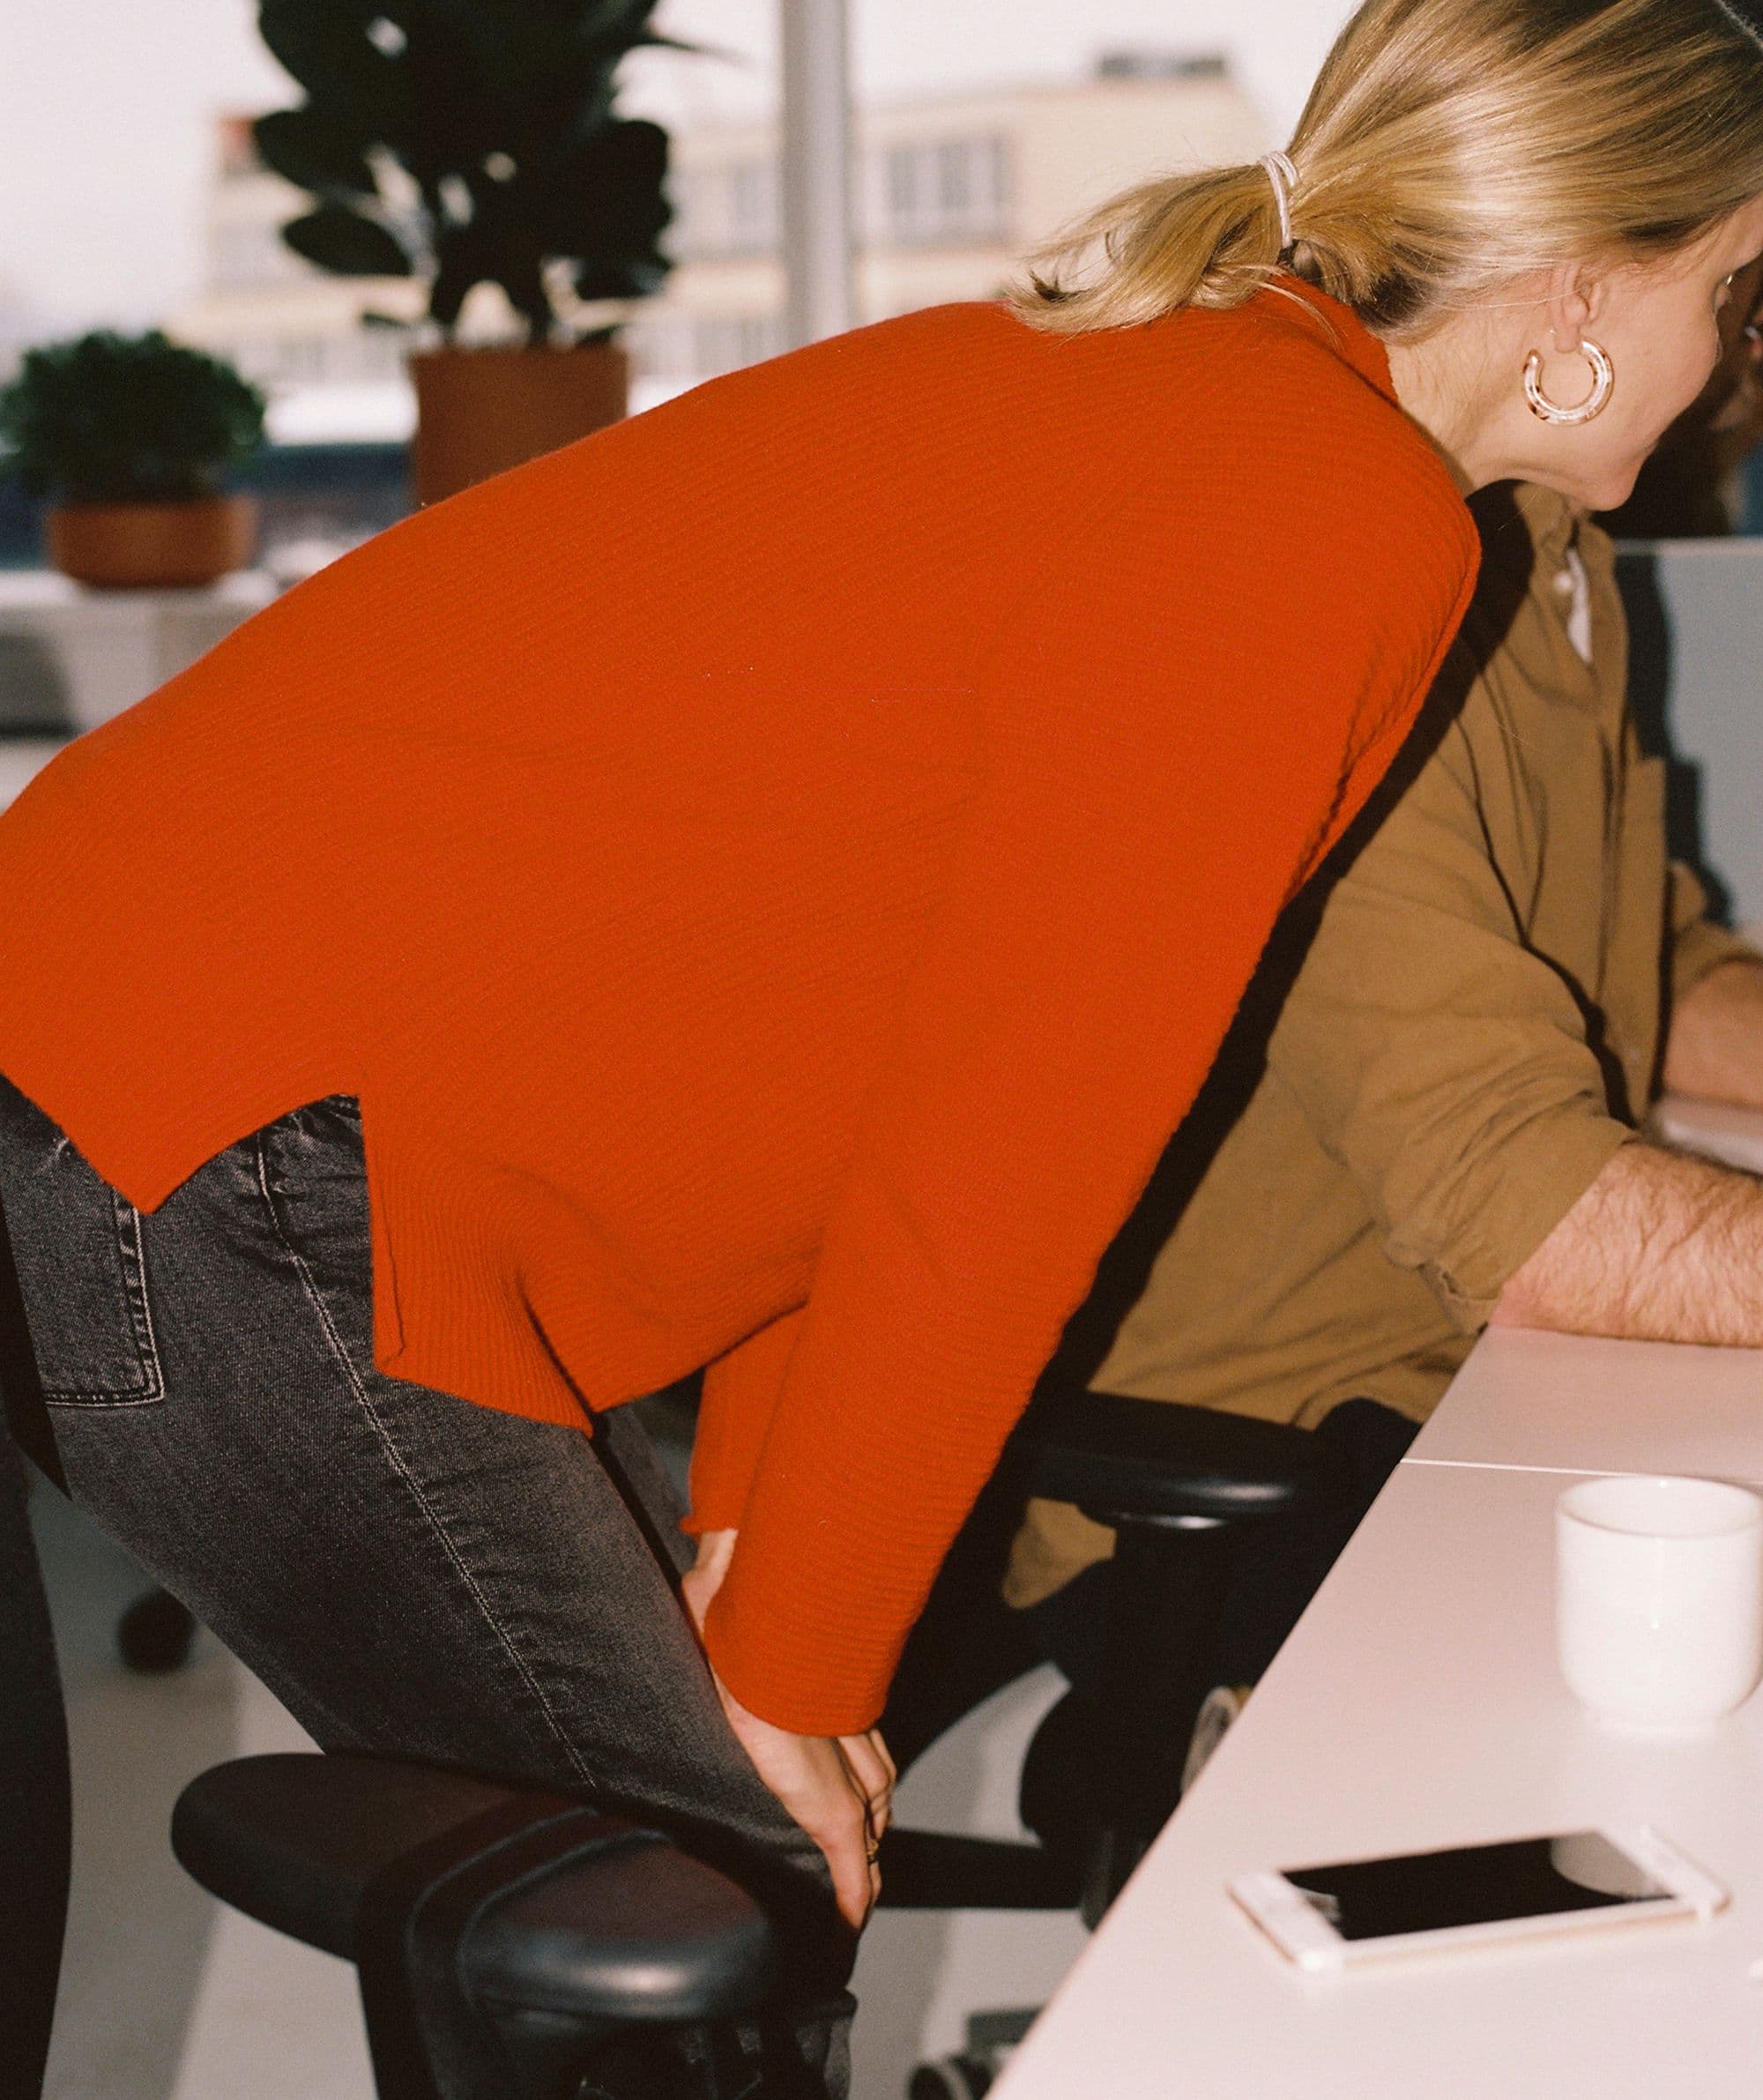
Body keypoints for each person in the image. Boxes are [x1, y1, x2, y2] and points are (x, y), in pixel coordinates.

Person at [0, 0, 1761, 2083]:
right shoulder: (1317, 509)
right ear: (1579, 286)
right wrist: (801, 1663)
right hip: (205, 1142)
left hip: (161, 1090)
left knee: (670, 1905)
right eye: (1733, 287)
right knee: (693, 1916)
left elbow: (864, 1040)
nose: (1741, 349)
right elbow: (1012, 1144)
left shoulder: (1220, 410)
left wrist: (762, 1543)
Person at [1008, 258, 1763, 1736]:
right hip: (1274, 1461)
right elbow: (1523, 1207)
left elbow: (1640, 970)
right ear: (1597, 287)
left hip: (1464, 1393)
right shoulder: (1375, 581)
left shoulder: (1554, 548)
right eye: (1746, 287)